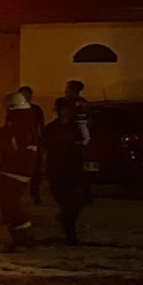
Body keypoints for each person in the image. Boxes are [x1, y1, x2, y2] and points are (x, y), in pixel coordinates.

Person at [0, 91, 41, 250]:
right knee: (10, 204)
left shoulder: (17, 125)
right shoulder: (27, 122)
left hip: (14, 170)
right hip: (19, 170)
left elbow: (9, 147)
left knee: (10, 205)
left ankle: (23, 240)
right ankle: (22, 239)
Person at [42, 97, 90, 244]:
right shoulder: (50, 129)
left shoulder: (75, 128)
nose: (64, 112)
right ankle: (70, 233)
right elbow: (43, 149)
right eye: (61, 109)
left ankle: (67, 225)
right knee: (65, 202)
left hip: (73, 170)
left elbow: (85, 141)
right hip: (57, 170)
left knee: (78, 202)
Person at [19, 86, 47, 204]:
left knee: (36, 172)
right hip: (20, 145)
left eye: (27, 95)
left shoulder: (36, 110)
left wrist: (42, 141)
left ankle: (35, 194)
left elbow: (41, 125)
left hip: (33, 144)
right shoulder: (15, 110)